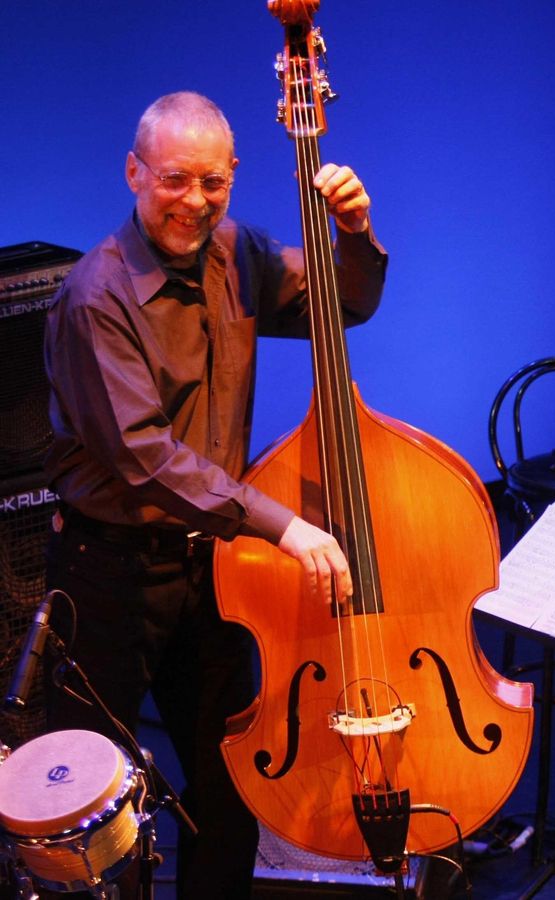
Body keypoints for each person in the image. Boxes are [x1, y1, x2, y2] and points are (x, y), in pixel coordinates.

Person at [41, 91, 384, 896]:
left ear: (232, 178)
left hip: (210, 573)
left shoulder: (238, 254)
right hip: (109, 575)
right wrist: (284, 527)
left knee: (228, 794)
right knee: (100, 810)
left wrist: (354, 235)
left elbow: (347, 304)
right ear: (134, 173)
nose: (194, 203)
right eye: (174, 180)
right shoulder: (97, 297)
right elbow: (144, 456)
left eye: (212, 183)